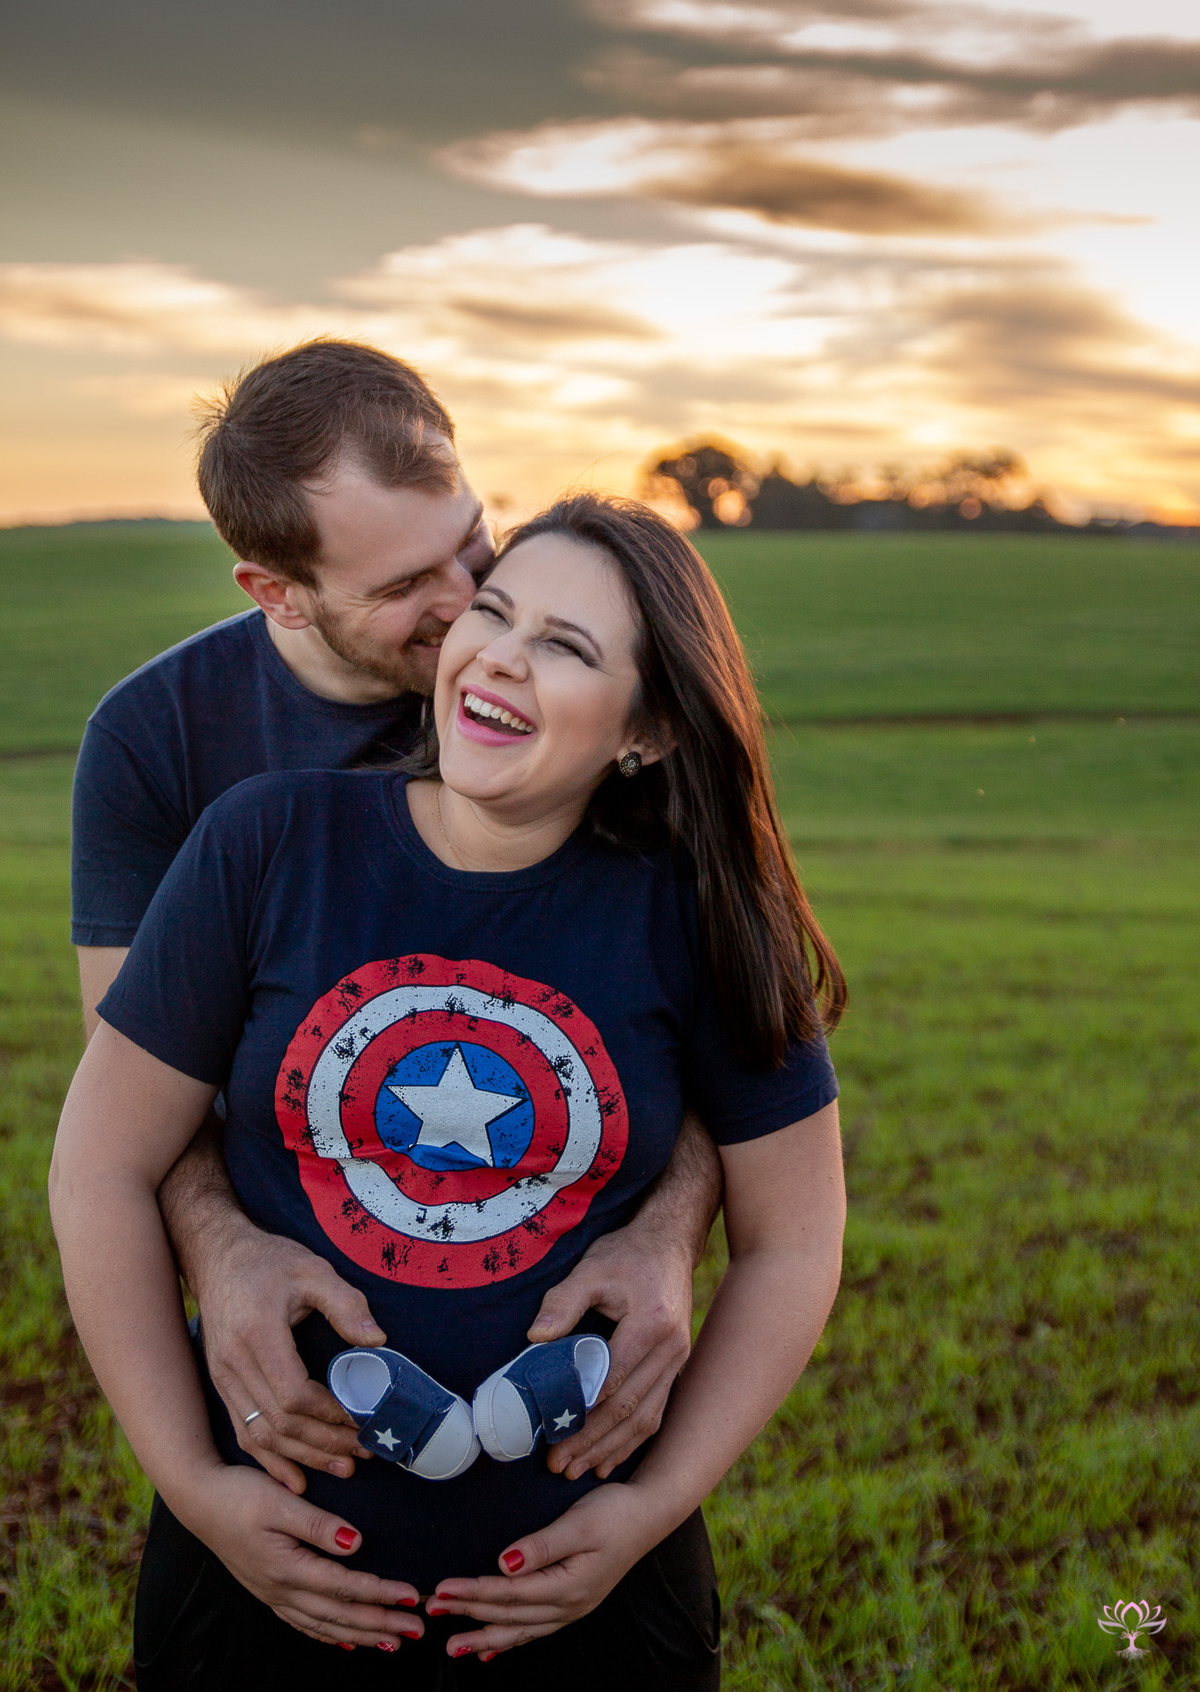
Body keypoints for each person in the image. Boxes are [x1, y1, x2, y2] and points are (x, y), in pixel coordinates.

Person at [51, 494, 847, 1689]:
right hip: (268, 1574)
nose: (501, 658)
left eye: (568, 648)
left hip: (587, 1589)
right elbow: (100, 1166)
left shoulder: (698, 913)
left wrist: (654, 1508)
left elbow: (795, 1241)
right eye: (495, 610)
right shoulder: (265, 843)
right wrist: (197, 1486)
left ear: (652, 729)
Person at [70, 341, 721, 1530]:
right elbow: (132, 1108)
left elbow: (698, 1019)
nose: (470, 601)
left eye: (472, 538)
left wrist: (670, 1233)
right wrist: (226, 1254)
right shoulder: (158, 743)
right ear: (278, 593)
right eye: (406, 586)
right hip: (320, 1386)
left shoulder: (547, 705)